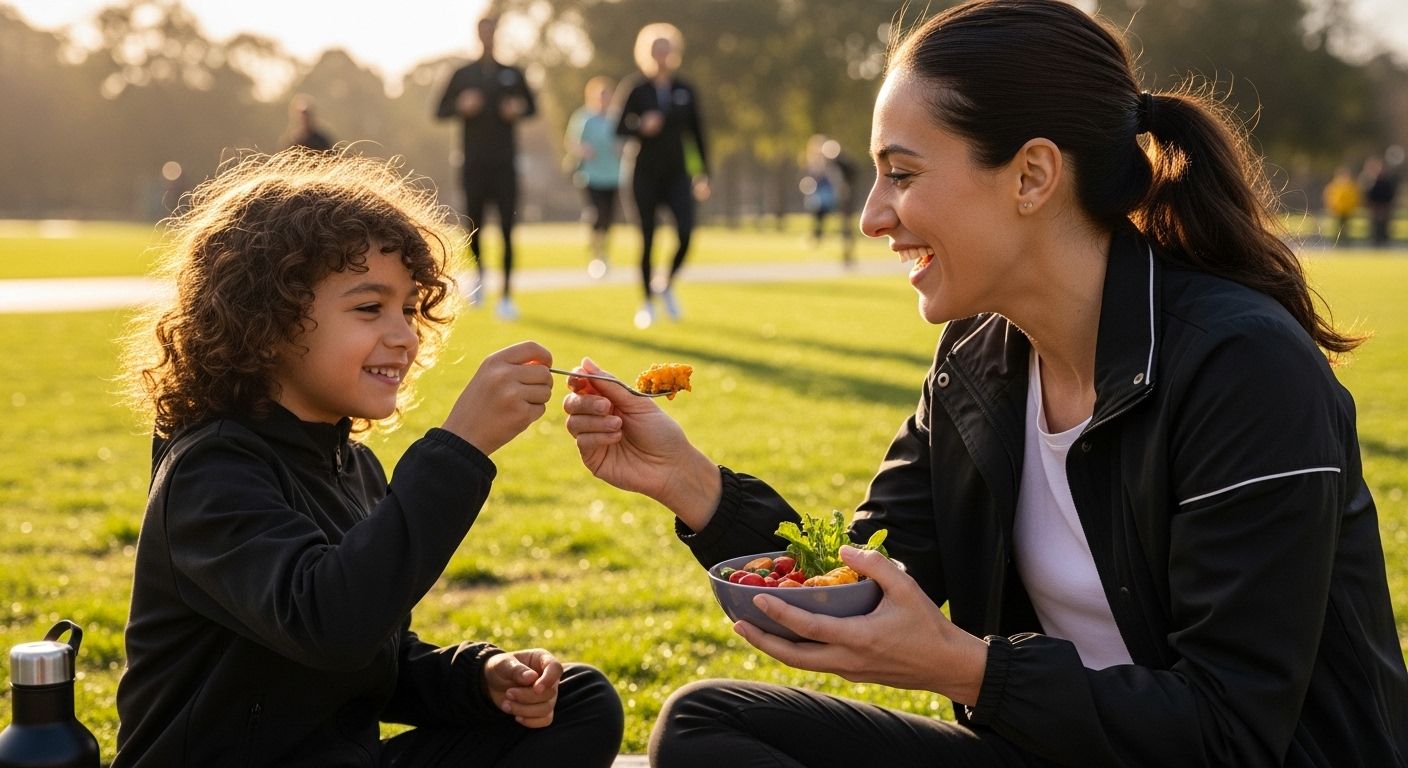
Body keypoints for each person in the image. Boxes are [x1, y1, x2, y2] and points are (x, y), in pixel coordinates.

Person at [562, 1, 1408, 765]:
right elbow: (860, 575)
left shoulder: (1242, 368)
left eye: (903, 172)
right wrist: (693, 486)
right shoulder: (976, 362)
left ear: (1033, 176)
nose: (872, 215)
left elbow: (1232, 731)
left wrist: (969, 668)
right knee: (711, 725)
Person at [113, 148, 623, 767]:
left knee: (579, 701)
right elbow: (330, 623)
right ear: (266, 324)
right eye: (368, 307)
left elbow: (371, 660)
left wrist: (480, 679)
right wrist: (460, 449)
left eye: (408, 308)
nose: (404, 334)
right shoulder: (210, 471)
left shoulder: (351, 466)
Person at [435, 14, 537, 321]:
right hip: (473, 163)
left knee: (507, 228)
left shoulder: (512, 73)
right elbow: (440, 110)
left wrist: (517, 109)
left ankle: (507, 295)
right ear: (478, 35)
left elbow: (532, 107)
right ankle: (479, 277)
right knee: (474, 225)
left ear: (497, 34)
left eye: (493, 31)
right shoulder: (463, 74)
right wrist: (461, 106)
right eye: (484, 31)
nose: (489, 36)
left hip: (505, 164)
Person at [617, 22, 710, 329]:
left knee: (685, 232)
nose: (662, 55)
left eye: (667, 49)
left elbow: (697, 134)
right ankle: (646, 303)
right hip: (643, 173)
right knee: (647, 238)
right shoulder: (636, 88)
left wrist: (703, 173)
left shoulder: (684, 89)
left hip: (677, 174)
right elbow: (618, 128)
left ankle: (665, 284)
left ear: (674, 53)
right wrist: (641, 126)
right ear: (647, 53)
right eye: (657, 49)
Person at [565, 75, 624, 279]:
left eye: (606, 95)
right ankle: (596, 253)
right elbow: (571, 142)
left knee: (608, 217)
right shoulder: (584, 118)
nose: (603, 99)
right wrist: (583, 150)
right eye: (600, 95)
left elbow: (626, 142)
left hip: (613, 175)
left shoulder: (616, 119)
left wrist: (621, 148)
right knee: (596, 214)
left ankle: (603, 252)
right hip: (590, 175)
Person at [799, 133, 859, 265]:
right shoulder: (818, 165)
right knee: (820, 222)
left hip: (841, 199)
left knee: (846, 227)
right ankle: (816, 240)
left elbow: (851, 175)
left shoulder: (840, 163)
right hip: (825, 200)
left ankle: (847, 254)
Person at [1363, 155, 1399, 248]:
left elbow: (1391, 195)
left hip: (1385, 207)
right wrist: (1374, 206)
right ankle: (1375, 243)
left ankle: (1384, 242)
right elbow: (1369, 195)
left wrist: (1386, 206)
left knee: (1385, 226)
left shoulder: (1388, 182)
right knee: (1375, 226)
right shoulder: (1372, 182)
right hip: (1375, 207)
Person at [1321, 165, 1360, 246]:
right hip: (1338, 209)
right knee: (1337, 226)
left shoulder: (1350, 186)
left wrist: (1353, 207)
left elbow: (1354, 197)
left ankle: (1345, 241)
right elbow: (1329, 196)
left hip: (1347, 210)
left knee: (1346, 227)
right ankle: (1337, 241)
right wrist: (1331, 206)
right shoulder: (1334, 185)